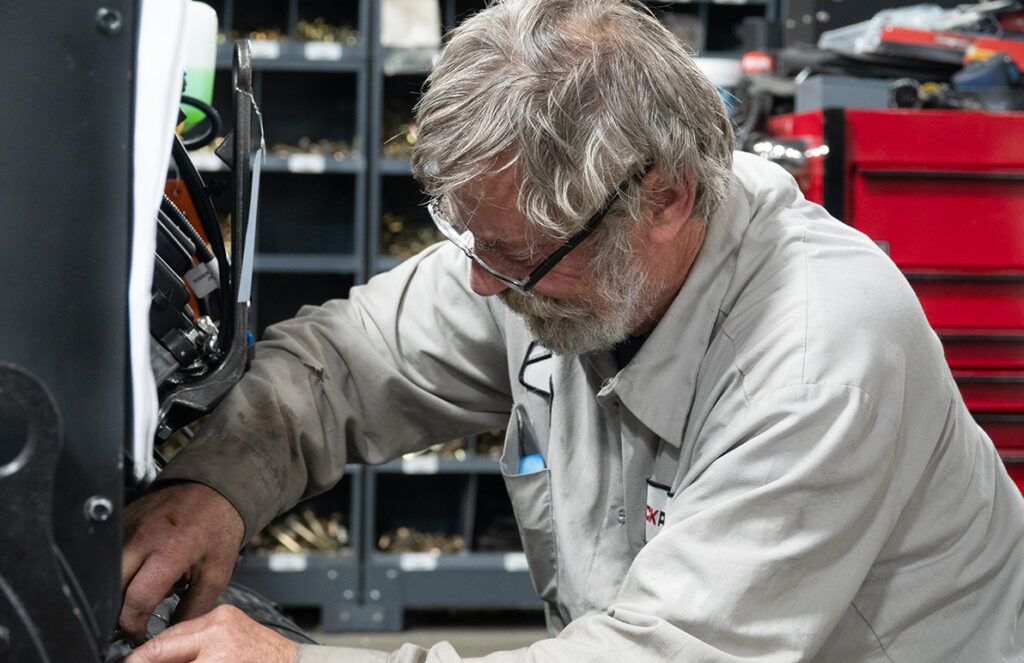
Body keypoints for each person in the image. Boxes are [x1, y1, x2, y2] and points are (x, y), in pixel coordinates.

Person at [121, 0, 1024, 661]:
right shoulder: (573, 245)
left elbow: (659, 655)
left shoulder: (819, 361)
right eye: (469, 238)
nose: (478, 280)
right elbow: (348, 363)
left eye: (512, 252)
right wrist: (215, 488)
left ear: (664, 194)